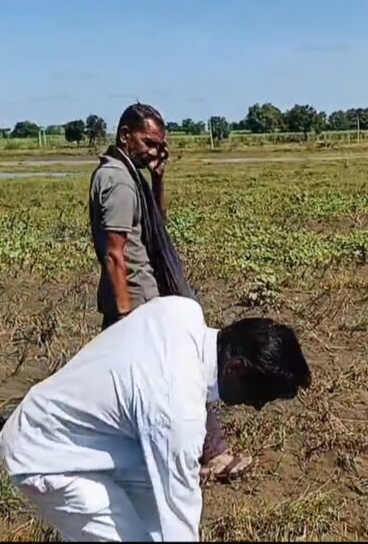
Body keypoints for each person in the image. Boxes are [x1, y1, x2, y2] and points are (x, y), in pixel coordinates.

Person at [0, 296, 311, 542]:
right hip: (46, 456)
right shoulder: (178, 412)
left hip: (84, 432)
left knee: (154, 522)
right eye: (260, 394)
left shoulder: (182, 311)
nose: (257, 407)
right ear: (236, 367)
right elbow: (180, 510)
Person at [88, 102, 253, 482]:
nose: (154, 151)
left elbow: (153, 226)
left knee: (149, 382)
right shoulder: (118, 180)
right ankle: (211, 454)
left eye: (159, 144)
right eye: (148, 142)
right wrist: (126, 319)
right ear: (125, 136)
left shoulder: (131, 176)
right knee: (181, 374)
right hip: (135, 301)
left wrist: (158, 179)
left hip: (143, 296)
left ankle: (188, 453)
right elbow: (114, 254)